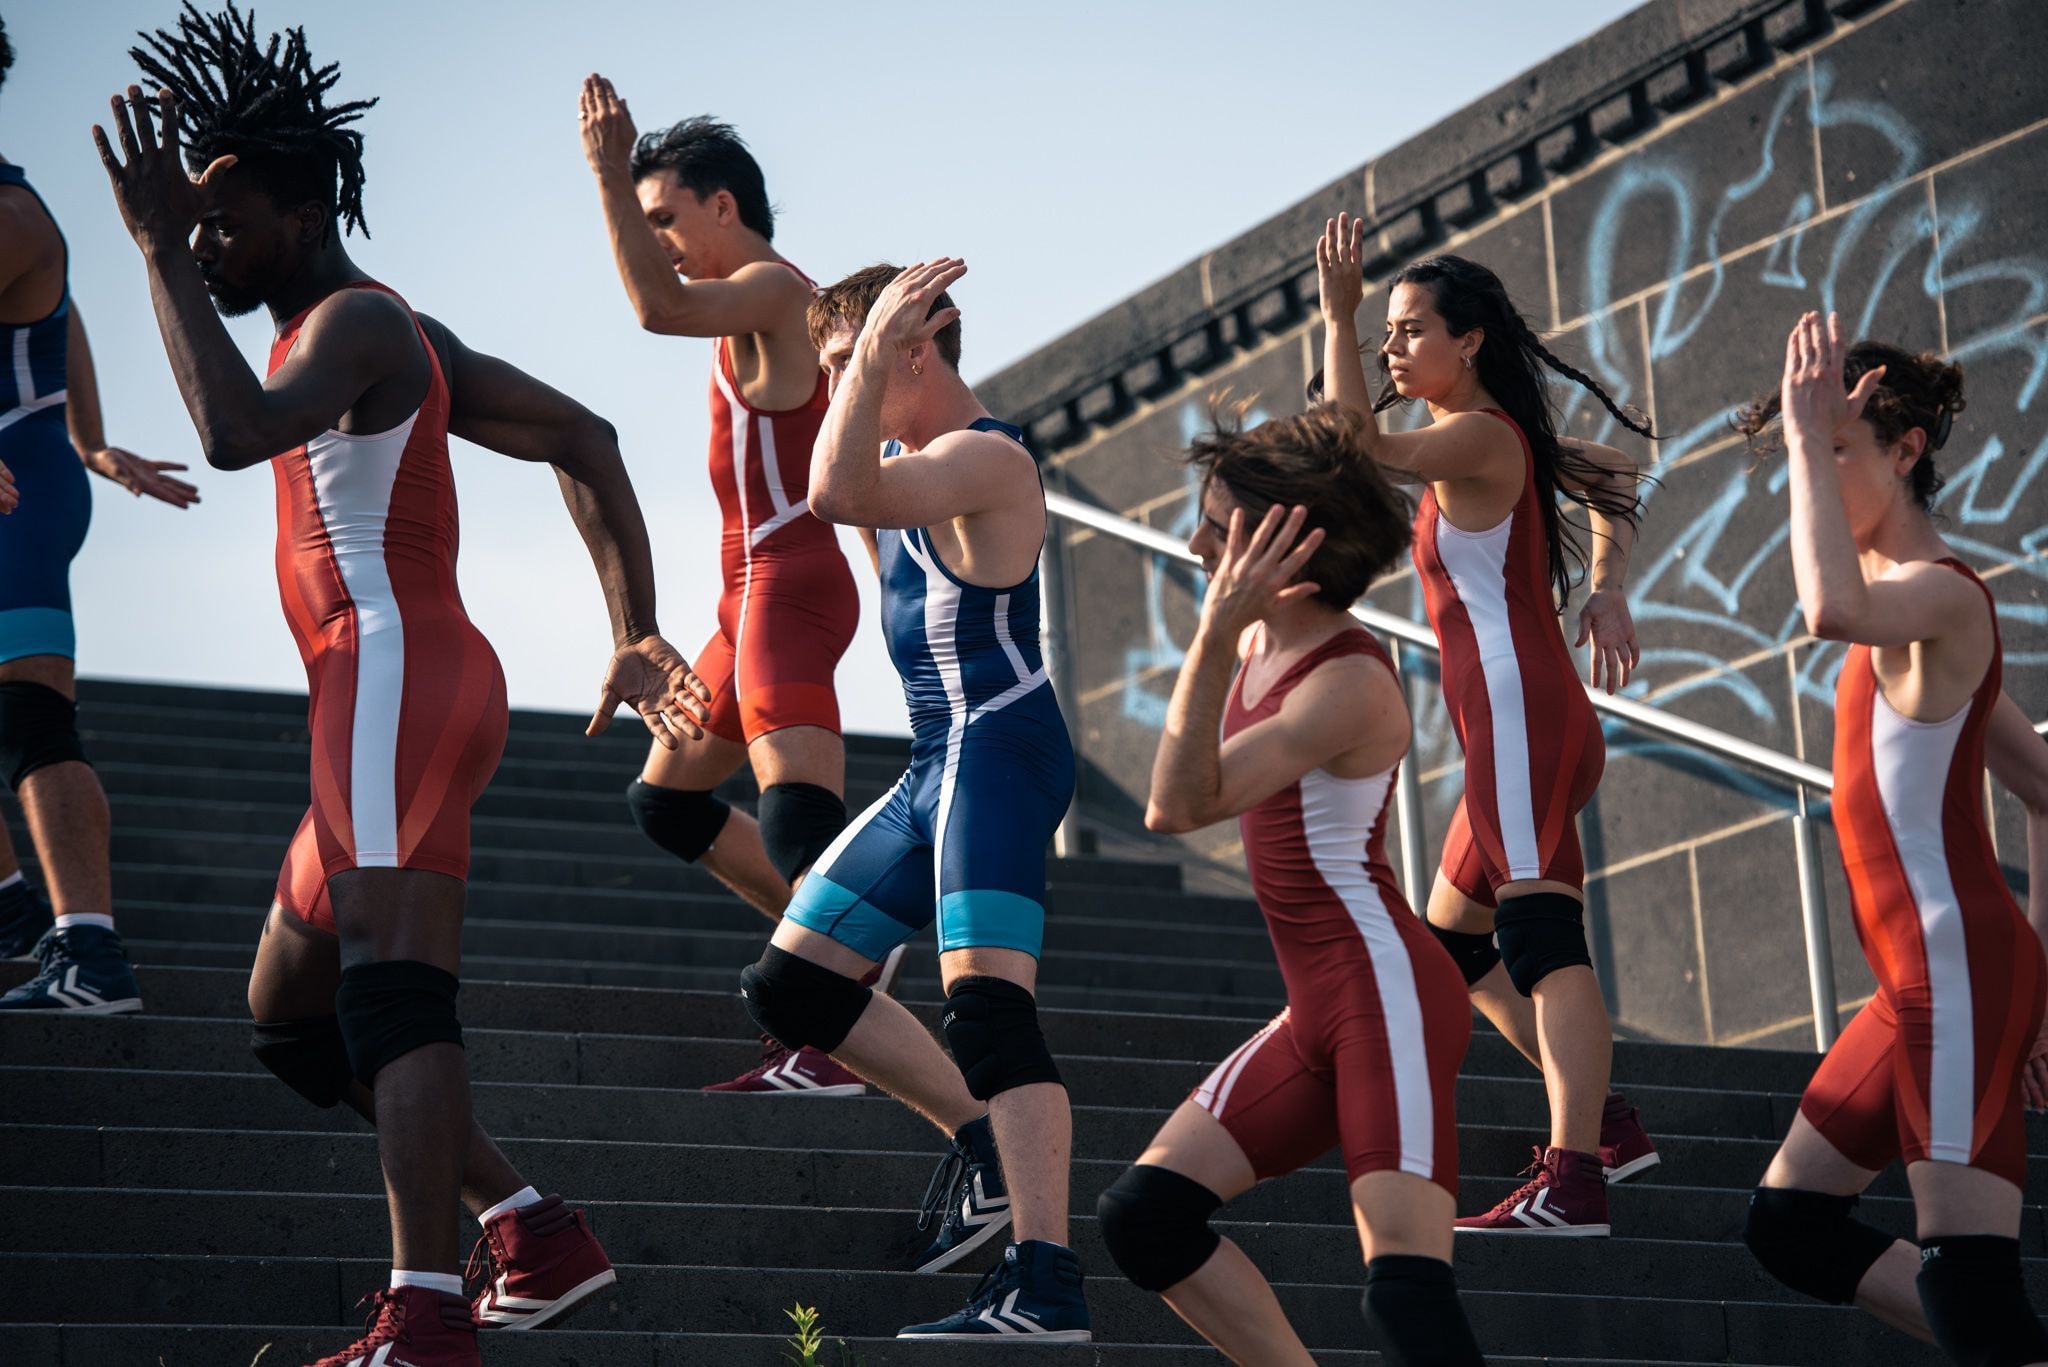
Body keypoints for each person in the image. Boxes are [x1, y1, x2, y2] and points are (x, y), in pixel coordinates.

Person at [95, 7, 708, 1363]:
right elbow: (584, 437)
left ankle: (424, 1313)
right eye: (191, 225)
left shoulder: (363, 322)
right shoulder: (385, 331)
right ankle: (532, 1226)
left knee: (390, 987)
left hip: (392, 673)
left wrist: (152, 255)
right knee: (290, 1017)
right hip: (384, 687)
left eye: (225, 216)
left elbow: (232, 432)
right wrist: (633, 624)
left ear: (307, 207)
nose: (204, 239)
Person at [736, 259, 1088, 1341]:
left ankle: (1045, 1284)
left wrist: (874, 338)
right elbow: (845, 498)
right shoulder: (894, 459)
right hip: (935, 760)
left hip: (1002, 748)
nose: (830, 388)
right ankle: (983, 1144)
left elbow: (835, 492)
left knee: (986, 1011)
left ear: (914, 349)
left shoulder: (981, 457)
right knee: (791, 983)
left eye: (847, 364)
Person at [1102, 404, 1485, 1366]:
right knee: (1146, 1218)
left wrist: (1216, 627)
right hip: (1316, 1006)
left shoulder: (1347, 682)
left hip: (1386, 993)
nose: (1195, 542)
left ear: (1287, 544)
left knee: (1406, 1299)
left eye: (1218, 525)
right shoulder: (1257, 645)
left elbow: (1175, 806)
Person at [1317, 213, 1658, 1235]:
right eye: (1381, 330)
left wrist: (1333, 316)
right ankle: (1605, 1122)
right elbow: (1617, 476)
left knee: (1541, 939)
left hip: (1520, 720)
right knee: (1452, 952)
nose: (1389, 344)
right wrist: (1603, 587)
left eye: (1408, 326)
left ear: (1467, 340)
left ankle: (1572, 1175)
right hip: (1525, 723)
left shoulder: (1473, 432)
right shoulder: (1506, 438)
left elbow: (1355, 442)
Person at [1737, 313, 2048, 1367]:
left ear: (1904, 449)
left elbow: (1823, 605)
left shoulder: (1941, 599)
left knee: (1968, 1270)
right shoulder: (1908, 623)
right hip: (1915, 984)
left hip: (1950, 972)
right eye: (1810, 448)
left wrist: (1793, 437)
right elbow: (2046, 788)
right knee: (1787, 1225)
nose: (1814, 470)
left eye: (1837, 448)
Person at [577, 76, 889, 1096]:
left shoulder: (769, 287)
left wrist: (602, 173)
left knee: (800, 827)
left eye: (665, 214)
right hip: (742, 603)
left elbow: (650, 306)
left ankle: (833, 1014)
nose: (656, 234)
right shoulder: (749, 309)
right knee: (665, 801)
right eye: (644, 216)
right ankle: (844, 958)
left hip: (784, 594)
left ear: (725, 205)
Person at [0, 13, 197, 1015]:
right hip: (39, 458)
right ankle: (13, 907)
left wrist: (68, 449)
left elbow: (45, 283)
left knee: (34, 711)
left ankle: (90, 952)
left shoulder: (7, 212)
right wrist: (93, 437)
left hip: (14, 490)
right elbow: (62, 313)